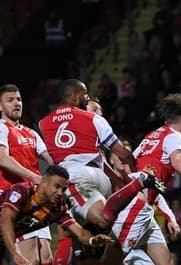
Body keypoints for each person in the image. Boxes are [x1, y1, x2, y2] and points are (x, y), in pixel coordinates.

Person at [38, 79, 163, 264]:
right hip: (98, 178)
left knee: (70, 230)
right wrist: (138, 164)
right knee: (86, 235)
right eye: (84, 94)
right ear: (74, 96)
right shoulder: (94, 119)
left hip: (75, 178)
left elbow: (48, 157)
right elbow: (121, 153)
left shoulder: (43, 123)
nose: (86, 97)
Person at [101, 93, 181, 264]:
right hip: (136, 207)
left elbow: (130, 166)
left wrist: (170, 217)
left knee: (165, 261)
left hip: (144, 207)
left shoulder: (151, 136)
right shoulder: (174, 136)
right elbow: (178, 161)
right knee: (111, 261)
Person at [0, 165, 114, 265]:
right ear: (44, 182)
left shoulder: (58, 208)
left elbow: (80, 233)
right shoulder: (22, 191)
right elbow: (5, 220)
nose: (60, 193)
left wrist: (92, 240)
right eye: (57, 186)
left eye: (63, 189)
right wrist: (15, 253)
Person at [0, 84, 55, 265]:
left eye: (19, 99)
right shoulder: (1, 128)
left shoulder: (31, 133)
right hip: (13, 198)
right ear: (0, 106)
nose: (17, 103)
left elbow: (51, 159)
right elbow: (3, 159)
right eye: (10, 100)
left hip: (36, 200)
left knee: (46, 259)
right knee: (30, 259)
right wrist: (34, 177)